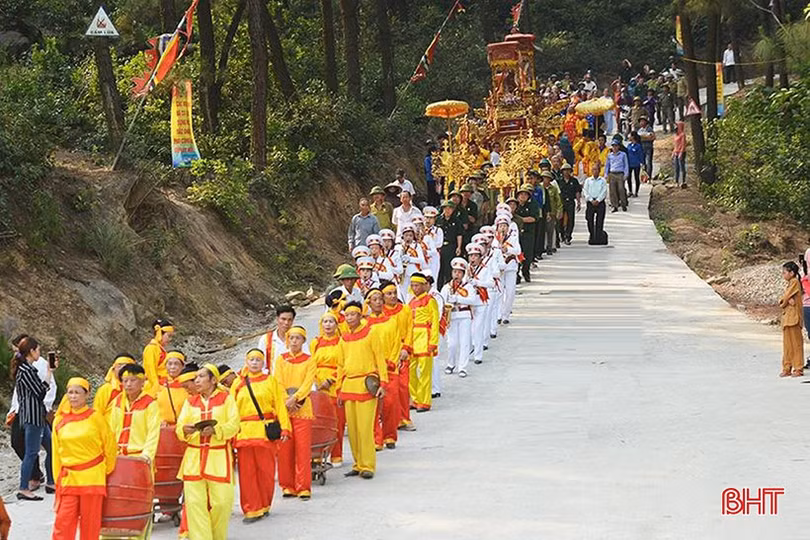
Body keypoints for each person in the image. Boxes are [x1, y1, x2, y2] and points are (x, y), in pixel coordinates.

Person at [175, 364, 240, 540]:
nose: (196, 380)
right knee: (195, 505)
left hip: (218, 457)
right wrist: (185, 430)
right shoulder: (190, 402)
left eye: (201, 377)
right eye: (196, 377)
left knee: (222, 503)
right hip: (194, 458)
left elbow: (234, 425)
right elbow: (180, 426)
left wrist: (217, 431)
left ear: (213, 380)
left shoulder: (227, 399)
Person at [51, 377, 116, 540]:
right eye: (70, 392)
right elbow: (56, 453)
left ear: (86, 395)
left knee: (90, 523)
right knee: (63, 522)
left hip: (92, 478)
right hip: (69, 478)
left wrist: (105, 470)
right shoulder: (59, 420)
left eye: (77, 393)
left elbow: (110, 445)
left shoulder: (96, 418)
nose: (73, 396)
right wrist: (57, 478)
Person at [231, 349, 291, 522]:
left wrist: (285, 428)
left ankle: (265, 504)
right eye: (251, 360)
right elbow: (230, 409)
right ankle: (251, 508)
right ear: (246, 362)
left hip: (265, 431)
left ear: (263, 363)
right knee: (246, 473)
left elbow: (280, 405)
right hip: (243, 432)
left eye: (258, 360)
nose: (254, 363)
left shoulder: (271, 382)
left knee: (266, 470)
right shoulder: (238, 384)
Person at [338, 302, 387, 479]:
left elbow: (380, 358)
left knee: (365, 428)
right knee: (352, 430)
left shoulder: (370, 333)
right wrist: (338, 388)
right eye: (347, 315)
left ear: (360, 316)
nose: (350, 318)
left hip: (367, 384)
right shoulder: (343, 338)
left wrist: (383, 383)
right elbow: (340, 364)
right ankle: (357, 463)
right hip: (348, 385)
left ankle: (368, 465)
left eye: (353, 314)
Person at [6, 334, 56, 492]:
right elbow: (39, 391)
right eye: (38, 349)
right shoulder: (27, 370)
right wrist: (49, 373)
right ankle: (24, 486)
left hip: (37, 414)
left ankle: (50, 481)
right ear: (32, 351)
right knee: (31, 452)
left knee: (52, 447)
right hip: (33, 416)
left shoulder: (31, 367)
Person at [274, 326, 316, 499]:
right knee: (284, 449)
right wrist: (286, 399)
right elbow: (278, 382)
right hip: (285, 409)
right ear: (287, 340)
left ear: (303, 341)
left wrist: (296, 398)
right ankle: (287, 485)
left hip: (303, 408)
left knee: (303, 449)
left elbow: (308, 383)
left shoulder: (309, 360)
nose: (294, 341)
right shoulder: (281, 360)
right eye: (291, 338)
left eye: (298, 338)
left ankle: (303, 486)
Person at [365, 287, 401, 449]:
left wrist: (391, 361)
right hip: (372, 370)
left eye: (380, 298)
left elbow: (396, 344)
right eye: (375, 299)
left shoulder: (392, 321)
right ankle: (376, 438)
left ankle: (390, 436)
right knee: (373, 405)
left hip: (389, 368)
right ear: (369, 303)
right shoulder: (364, 324)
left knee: (390, 404)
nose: (379, 302)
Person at [311, 312, 346, 464]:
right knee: (319, 421)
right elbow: (309, 363)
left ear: (336, 324)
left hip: (335, 385)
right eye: (325, 321)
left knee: (337, 421)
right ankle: (317, 455)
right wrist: (315, 381)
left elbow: (344, 364)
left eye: (331, 321)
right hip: (317, 385)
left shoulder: (342, 342)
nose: (328, 325)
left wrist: (331, 379)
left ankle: (337, 454)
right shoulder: (315, 343)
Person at [109, 364, 160, 462]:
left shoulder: (150, 403)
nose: (128, 384)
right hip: (118, 456)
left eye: (133, 380)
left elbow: (153, 432)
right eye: (125, 381)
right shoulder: (118, 401)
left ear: (142, 382)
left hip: (140, 456)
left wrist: (147, 455)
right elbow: (112, 428)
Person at [382, 282, 415, 432]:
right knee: (388, 389)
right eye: (389, 294)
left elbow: (410, 330)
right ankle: (389, 420)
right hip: (386, 354)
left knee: (402, 386)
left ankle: (404, 418)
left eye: (394, 292)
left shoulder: (406, 310)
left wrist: (406, 348)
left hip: (402, 352)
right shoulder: (380, 313)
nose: (393, 296)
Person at [441, 258, 480, 379]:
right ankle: (451, 363)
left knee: (464, 343)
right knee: (452, 343)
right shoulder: (447, 287)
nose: (456, 274)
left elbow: (473, 300)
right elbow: (441, 300)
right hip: (452, 316)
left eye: (459, 272)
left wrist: (458, 299)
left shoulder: (468, 287)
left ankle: (462, 367)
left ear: (463, 274)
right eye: (455, 272)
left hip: (464, 315)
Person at [407, 273, 439, 412]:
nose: (415, 288)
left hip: (425, 337)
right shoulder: (411, 302)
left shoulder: (430, 300)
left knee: (425, 371)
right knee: (410, 371)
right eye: (413, 285)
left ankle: (424, 401)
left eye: (417, 285)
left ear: (423, 285)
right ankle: (414, 398)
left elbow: (435, 322)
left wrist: (433, 342)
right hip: (412, 339)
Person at [258, 305, 310, 374]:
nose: (286, 323)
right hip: (273, 381)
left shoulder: (299, 339)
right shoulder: (266, 339)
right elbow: (260, 364)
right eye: (283, 319)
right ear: (277, 319)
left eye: (289, 320)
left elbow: (307, 361)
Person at [779, 262, 804, 377]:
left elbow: (784, 299)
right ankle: (787, 367)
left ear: (792, 273)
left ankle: (798, 367)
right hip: (787, 318)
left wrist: (784, 301)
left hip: (794, 317)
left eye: (785, 272)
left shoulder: (794, 282)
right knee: (787, 345)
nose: (783, 275)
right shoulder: (789, 283)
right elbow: (785, 299)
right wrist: (785, 300)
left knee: (796, 344)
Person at [495, 214, 521, 323]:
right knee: (499, 292)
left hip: (510, 267)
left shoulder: (513, 238)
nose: (503, 228)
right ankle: (499, 314)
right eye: (501, 226)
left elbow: (518, 251)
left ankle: (506, 315)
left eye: (505, 226)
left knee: (510, 292)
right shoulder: (494, 239)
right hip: (499, 269)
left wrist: (507, 249)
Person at [92, 354, 136, 418]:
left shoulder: (141, 388)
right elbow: (97, 414)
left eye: (126, 366)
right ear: (113, 369)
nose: (122, 369)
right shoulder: (106, 389)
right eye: (119, 365)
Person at [157, 350, 190, 425]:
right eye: (170, 364)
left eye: (176, 364)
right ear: (165, 366)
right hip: (163, 428)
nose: (173, 367)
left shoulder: (188, 385)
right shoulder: (158, 385)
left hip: (184, 426)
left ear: (183, 366)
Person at [436, 200, 464, 288]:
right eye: (445, 208)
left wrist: (459, 247)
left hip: (451, 246)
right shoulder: (438, 219)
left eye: (450, 208)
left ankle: (449, 287)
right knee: (439, 269)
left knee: (449, 268)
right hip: (439, 247)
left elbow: (459, 234)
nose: (447, 210)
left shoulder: (457, 221)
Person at [515, 184, 540, 282]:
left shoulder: (532, 205)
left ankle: (526, 271)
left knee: (527, 254)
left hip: (528, 232)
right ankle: (516, 274)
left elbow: (533, 218)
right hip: (516, 234)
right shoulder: (514, 205)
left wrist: (520, 219)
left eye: (525, 195)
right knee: (516, 253)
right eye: (521, 195)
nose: (523, 197)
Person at [143, 318, 175, 392]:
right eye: (169, 336)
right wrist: (156, 387)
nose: (170, 339)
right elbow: (150, 371)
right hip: (157, 386)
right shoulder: (151, 348)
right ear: (160, 334)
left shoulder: (159, 348)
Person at [556, 163, 581, 245]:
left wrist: (578, 202)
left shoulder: (574, 181)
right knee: (560, 219)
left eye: (568, 170)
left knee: (571, 219)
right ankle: (562, 234)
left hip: (570, 201)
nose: (566, 172)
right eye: (564, 170)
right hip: (561, 201)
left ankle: (568, 236)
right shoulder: (559, 181)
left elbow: (577, 191)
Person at [583, 163, 608, 245]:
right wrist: (590, 199)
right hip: (590, 202)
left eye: (596, 169)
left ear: (599, 171)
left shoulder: (603, 180)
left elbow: (604, 191)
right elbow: (585, 191)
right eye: (593, 169)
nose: (594, 171)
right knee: (589, 219)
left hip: (600, 202)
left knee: (599, 220)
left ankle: (598, 236)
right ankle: (592, 235)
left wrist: (598, 200)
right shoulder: (588, 180)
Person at [605, 136, 629, 212]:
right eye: (613, 146)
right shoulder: (609, 155)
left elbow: (626, 165)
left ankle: (623, 203)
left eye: (616, 146)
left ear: (618, 146)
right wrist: (606, 174)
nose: (614, 147)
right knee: (612, 190)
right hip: (612, 173)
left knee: (621, 189)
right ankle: (614, 205)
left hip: (620, 173)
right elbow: (607, 165)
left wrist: (626, 174)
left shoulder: (623, 154)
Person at [542, 172, 561, 256]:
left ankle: (549, 247)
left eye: (547, 178)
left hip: (552, 212)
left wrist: (559, 210)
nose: (546, 180)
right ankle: (542, 247)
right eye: (544, 178)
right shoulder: (540, 188)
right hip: (542, 212)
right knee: (542, 231)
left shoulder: (553, 189)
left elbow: (558, 200)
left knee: (550, 231)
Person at [626, 132, 644, 198]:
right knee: (629, 178)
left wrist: (642, 163)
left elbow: (641, 154)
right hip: (629, 164)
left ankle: (636, 192)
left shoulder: (638, 146)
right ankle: (630, 191)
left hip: (636, 164)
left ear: (633, 137)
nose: (629, 137)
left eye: (630, 136)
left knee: (636, 178)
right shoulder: (629, 145)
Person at [672, 121, 687, 188]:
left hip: (681, 152)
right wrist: (673, 152)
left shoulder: (682, 135)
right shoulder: (675, 135)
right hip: (676, 152)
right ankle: (676, 181)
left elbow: (683, 144)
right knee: (676, 167)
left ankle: (682, 181)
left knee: (681, 167)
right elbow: (675, 145)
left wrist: (681, 152)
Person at [424, 142, 439, 207]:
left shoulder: (438, 158)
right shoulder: (428, 159)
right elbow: (428, 169)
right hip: (430, 179)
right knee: (431, 193)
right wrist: (434, 175)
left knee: (437, 193)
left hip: (438, 179)